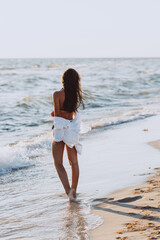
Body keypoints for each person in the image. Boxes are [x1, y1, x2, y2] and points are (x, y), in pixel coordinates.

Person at [51, 68, 85, 201]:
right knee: (74, 163)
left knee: (58, 163)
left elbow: (58, 115)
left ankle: (68, 192)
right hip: (71, 130)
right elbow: (72, 114)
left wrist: (53, 115)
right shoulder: (75, 95)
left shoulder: (57, 94)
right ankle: (74, 191)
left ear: (63, 80)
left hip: (60, 130)